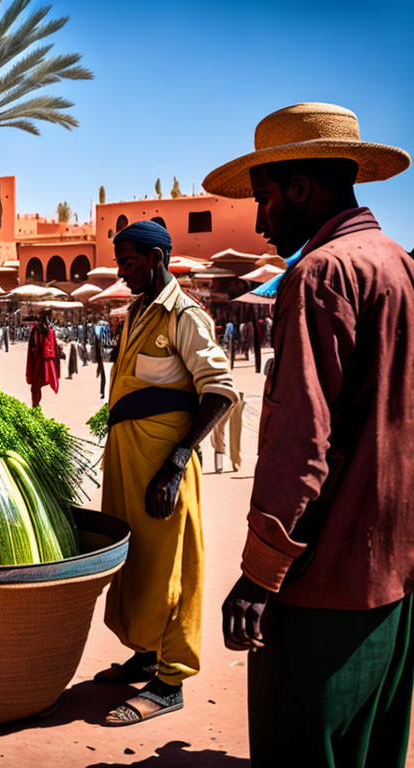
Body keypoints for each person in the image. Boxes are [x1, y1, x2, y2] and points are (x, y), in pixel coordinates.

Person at [204, 102, 414, 767]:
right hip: (397, 577)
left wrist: (257, 577)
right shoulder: (398, 264)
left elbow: (302, 442)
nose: (262, 219)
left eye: (266, 198)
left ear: (302, 188)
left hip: (325, 583)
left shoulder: (319, 276)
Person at [95, 220, 236, 725]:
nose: (122, 271)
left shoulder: (185, 315)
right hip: (128, 465)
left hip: (162, 468)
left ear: (155, 260)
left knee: (173, 566)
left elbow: (220, 391)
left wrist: (176, 463)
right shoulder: (136, 313)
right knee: (137, 563)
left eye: (128, 262)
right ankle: (147, 652)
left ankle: (170, 679)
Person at [25, 310, 60, 407]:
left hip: (39, 362)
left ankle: (35, 405)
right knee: (36, 386)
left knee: (35, 385)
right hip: (46, 362)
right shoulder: (49, 331)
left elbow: (32, 348)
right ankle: (36, 404)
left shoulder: (38, 331)